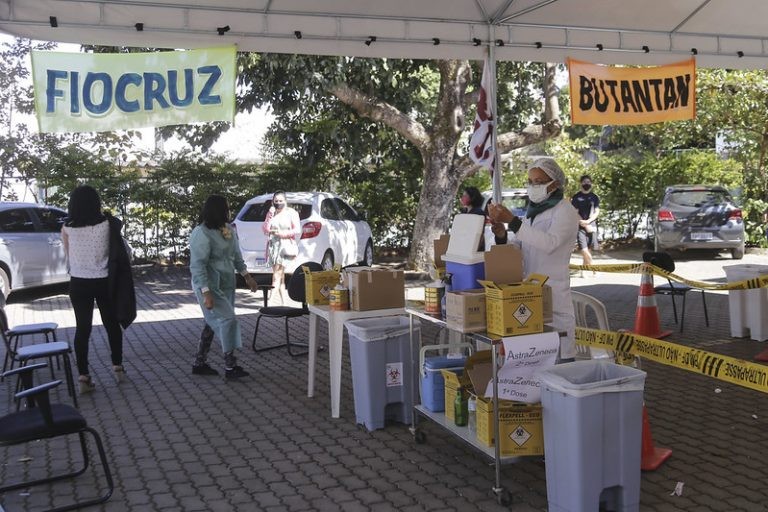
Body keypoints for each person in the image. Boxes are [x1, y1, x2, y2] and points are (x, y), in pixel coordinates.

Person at [488, 158, 580, 362]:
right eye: (530, 182)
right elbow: (519, 247)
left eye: (538, 181)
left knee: (558, 365)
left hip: (554, 297)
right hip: (530, 297)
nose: (533, 186)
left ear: (554, 182)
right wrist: (502, 234)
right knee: (535, 366)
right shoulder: (534, 212)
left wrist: (512, 222)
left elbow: (549, 243)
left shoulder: (565, 211)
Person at [61, 185, 136, 394]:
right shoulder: (107, 224)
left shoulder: (67, 228)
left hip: (78, 282)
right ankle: (118, 367)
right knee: (111, 324)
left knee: (82, 328)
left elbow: (68, 255)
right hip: (104, 281)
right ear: (96, 202)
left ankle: (83, 377)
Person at [190, 194, 258, 379]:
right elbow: (197, 265)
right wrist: (206, 293)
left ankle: (199, 362)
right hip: (209, 286)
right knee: (228, 320)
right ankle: (230, 366)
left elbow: (236, 256)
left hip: (227, 283)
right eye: (226, 207)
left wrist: (247, 277)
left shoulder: (227, 229)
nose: (229, 211)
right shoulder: (201, 233)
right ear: (217, 210)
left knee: (212, 322)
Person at [262, 191, 301, 304]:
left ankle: (269, 302)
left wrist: (282, 233)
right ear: (272, 202)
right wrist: (269, 215)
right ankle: (284, 302)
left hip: (285, 246)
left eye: (280, 201)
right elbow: (265, 229)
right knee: (280, 276)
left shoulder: (291, 213)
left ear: (285, 201)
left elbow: (297, 230)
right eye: (276, 201)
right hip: (273, 246)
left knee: (277, 275)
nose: (278, 203)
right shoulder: (272, 213)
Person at [571, 174, 600, 267]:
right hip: (580, 227)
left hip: (592, 226)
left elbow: (597, 211)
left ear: (591, 184)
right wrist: (583, 223)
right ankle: (594, 269)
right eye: (584, 182)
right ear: (580, 184)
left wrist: (588, 222)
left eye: (588, 182)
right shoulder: (576, 197)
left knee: (588, 249)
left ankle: (584, 271)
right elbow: (574, 212)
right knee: (583, 249)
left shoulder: (594, 197)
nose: (586, 184)